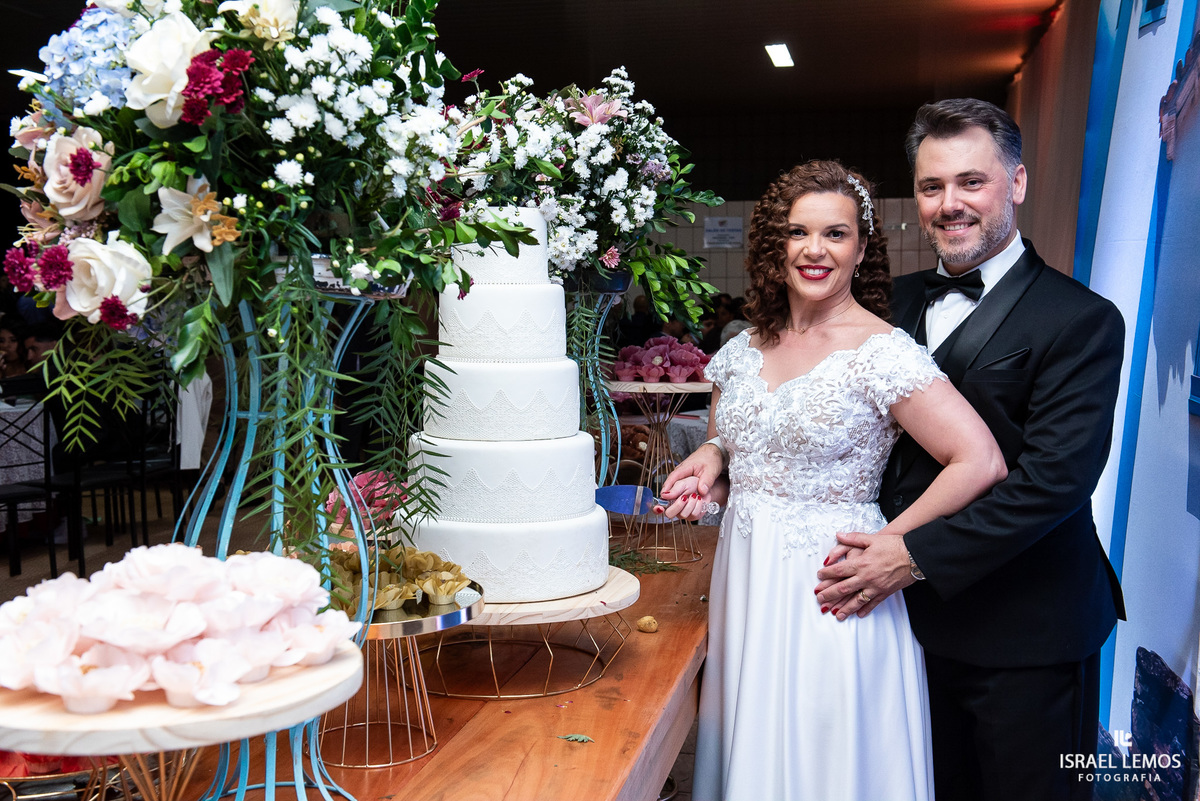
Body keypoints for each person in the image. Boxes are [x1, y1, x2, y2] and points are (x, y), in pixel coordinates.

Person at [808, 99, 1126, 801]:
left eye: (971, 182)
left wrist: (912, 553)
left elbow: (1053, 481)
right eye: (931, 187)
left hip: (1027, 634)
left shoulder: (1082, 319)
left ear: (1015, 183)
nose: (950, 204)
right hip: (901, 629)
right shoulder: (885, 301)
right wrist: (718, 451)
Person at [659, 159, 1007, 801]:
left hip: (832, 577)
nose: (815, 250)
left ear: (862, 247)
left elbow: (979, 459)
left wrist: (894, 546)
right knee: (748, 733)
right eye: (798, 233)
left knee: (824, 749)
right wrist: (710, 463)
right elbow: (739, 449)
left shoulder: (880, 351)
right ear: (776, 245)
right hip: (746, 574)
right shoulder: (740, 351)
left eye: (836, 234)